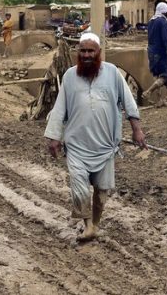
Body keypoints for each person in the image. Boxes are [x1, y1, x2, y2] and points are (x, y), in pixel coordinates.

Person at [45, 33, 147, 241]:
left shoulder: (112, 73)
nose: (86, 55)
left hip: (105, 145)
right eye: (82, 51)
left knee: (101, 190)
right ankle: (88, 225)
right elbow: (59, 108)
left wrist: (137, 130)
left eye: (91, 51)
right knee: (79, 187)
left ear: (98, 52)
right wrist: (54, 137)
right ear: (78, 52)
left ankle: (96, 223)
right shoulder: (70, 76)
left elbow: (129, 102)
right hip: (76, 145)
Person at [142, 2, 167, 102]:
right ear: (165, 12)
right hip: (161, 52)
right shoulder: (163, 21)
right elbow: (166, 39)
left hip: (151, 51)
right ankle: (148, 91)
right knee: (165, 75)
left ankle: (159, 100)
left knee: (157, 75)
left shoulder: (151, 21)